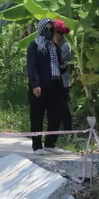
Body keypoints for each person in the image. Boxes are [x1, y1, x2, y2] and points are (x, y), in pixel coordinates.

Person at [27, 18, 67, 153]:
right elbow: (32, 67)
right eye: (46, 29)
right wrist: (35, 84)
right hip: (40, 86)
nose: (49, 32)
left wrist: (63, 67)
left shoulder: (54, 47)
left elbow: (58, 64)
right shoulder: (34, 46)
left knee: (55, 115)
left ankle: (50, 144)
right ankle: (37, 146)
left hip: (55, 84)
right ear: (40, 29)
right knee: (37, 116)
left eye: (51, 29)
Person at [52, 20, 74, 132]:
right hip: (51, 80)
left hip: (63, 81)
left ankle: (67, 130)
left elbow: (56, 61)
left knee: (63, 107)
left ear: (59, 34)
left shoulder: (65, 46)